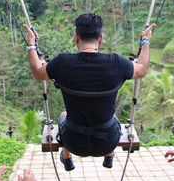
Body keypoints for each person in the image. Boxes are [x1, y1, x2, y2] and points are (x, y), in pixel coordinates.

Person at [24, 13, 156, 170]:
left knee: (64, 115)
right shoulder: (117, 63)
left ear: (76, 38)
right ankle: (109, 156)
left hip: (74, 143)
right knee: (111, 116)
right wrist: (146, 41)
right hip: (107, 142)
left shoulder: (62, 63)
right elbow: (141, 69)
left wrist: (31, 44)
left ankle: (67, 159)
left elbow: (38, 72)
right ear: (100, 39)